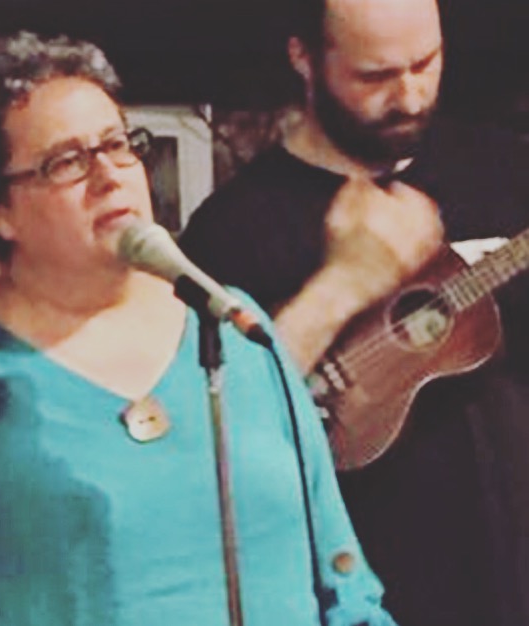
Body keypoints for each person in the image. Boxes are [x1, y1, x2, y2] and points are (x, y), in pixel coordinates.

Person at [0, 30, 399, 626]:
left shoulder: (233, 327)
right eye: (67, 162)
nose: (109, 175)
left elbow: (346, 588)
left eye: (117, 144)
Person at [179, 0, 529, 625]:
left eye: (426, 63)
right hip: (369, 596)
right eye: (376, 75)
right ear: (304, 58)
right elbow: (211, 439)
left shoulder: (507, 168)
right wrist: (341, 285)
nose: (410, 96)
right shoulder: (231, 232)